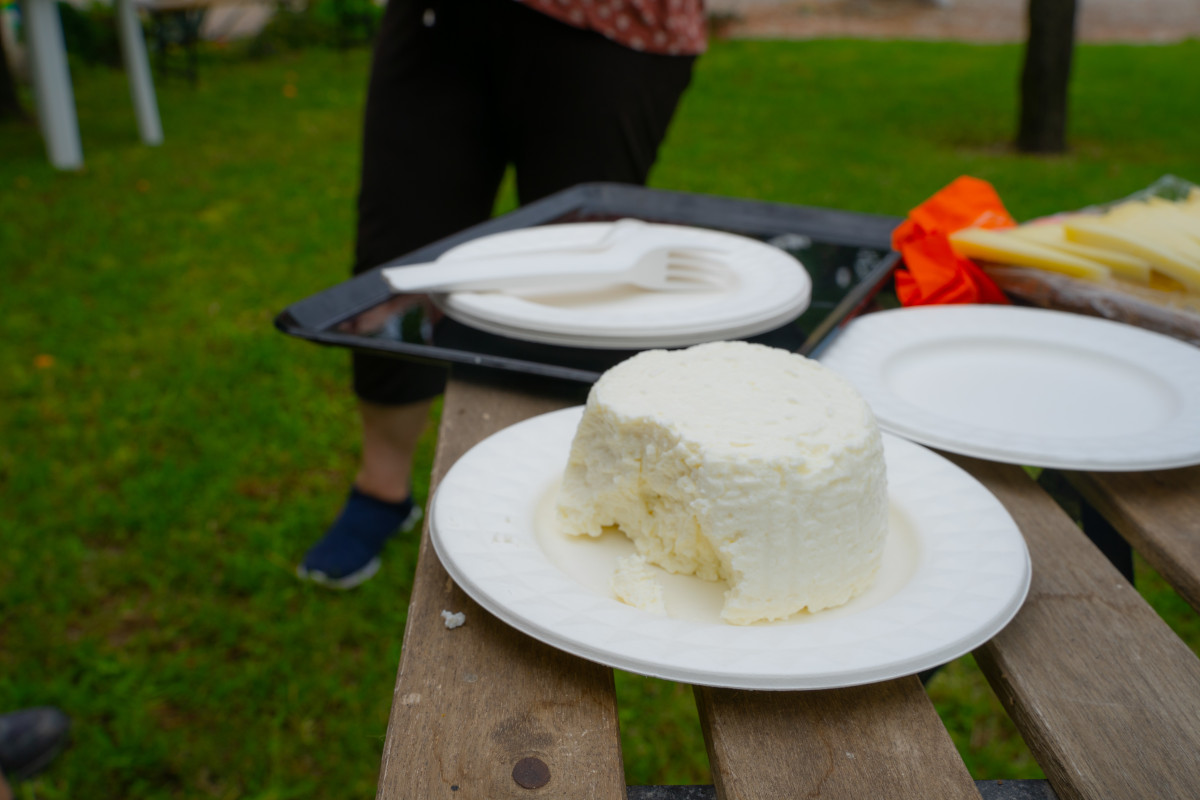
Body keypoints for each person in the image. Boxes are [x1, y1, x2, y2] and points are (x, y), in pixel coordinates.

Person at [296, 0, 707, 588]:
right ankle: (382, 488)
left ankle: (566, 503)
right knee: (397, 267)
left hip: (615, 23)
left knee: (584, 280)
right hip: (441, 14)